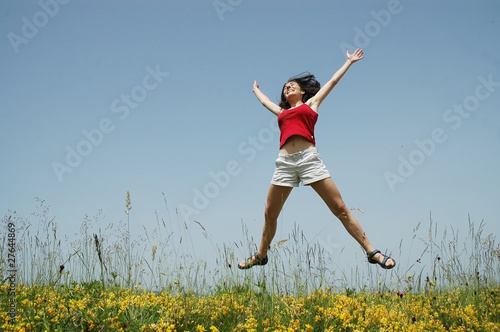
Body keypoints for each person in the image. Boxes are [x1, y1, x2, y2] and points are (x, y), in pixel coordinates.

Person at [238, 48, 395, 270]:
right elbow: (265, 103)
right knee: (269, 213)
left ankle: (372, 252)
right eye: (285, 87)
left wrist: (348, 62)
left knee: (339, 207)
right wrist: (255, 90)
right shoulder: (282, 113)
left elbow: (332, 82)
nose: (287, 87)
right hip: (284, 163)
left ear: (303, 92)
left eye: (292, 85)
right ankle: (261, 255)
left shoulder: (311, 105)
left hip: (309, 160)